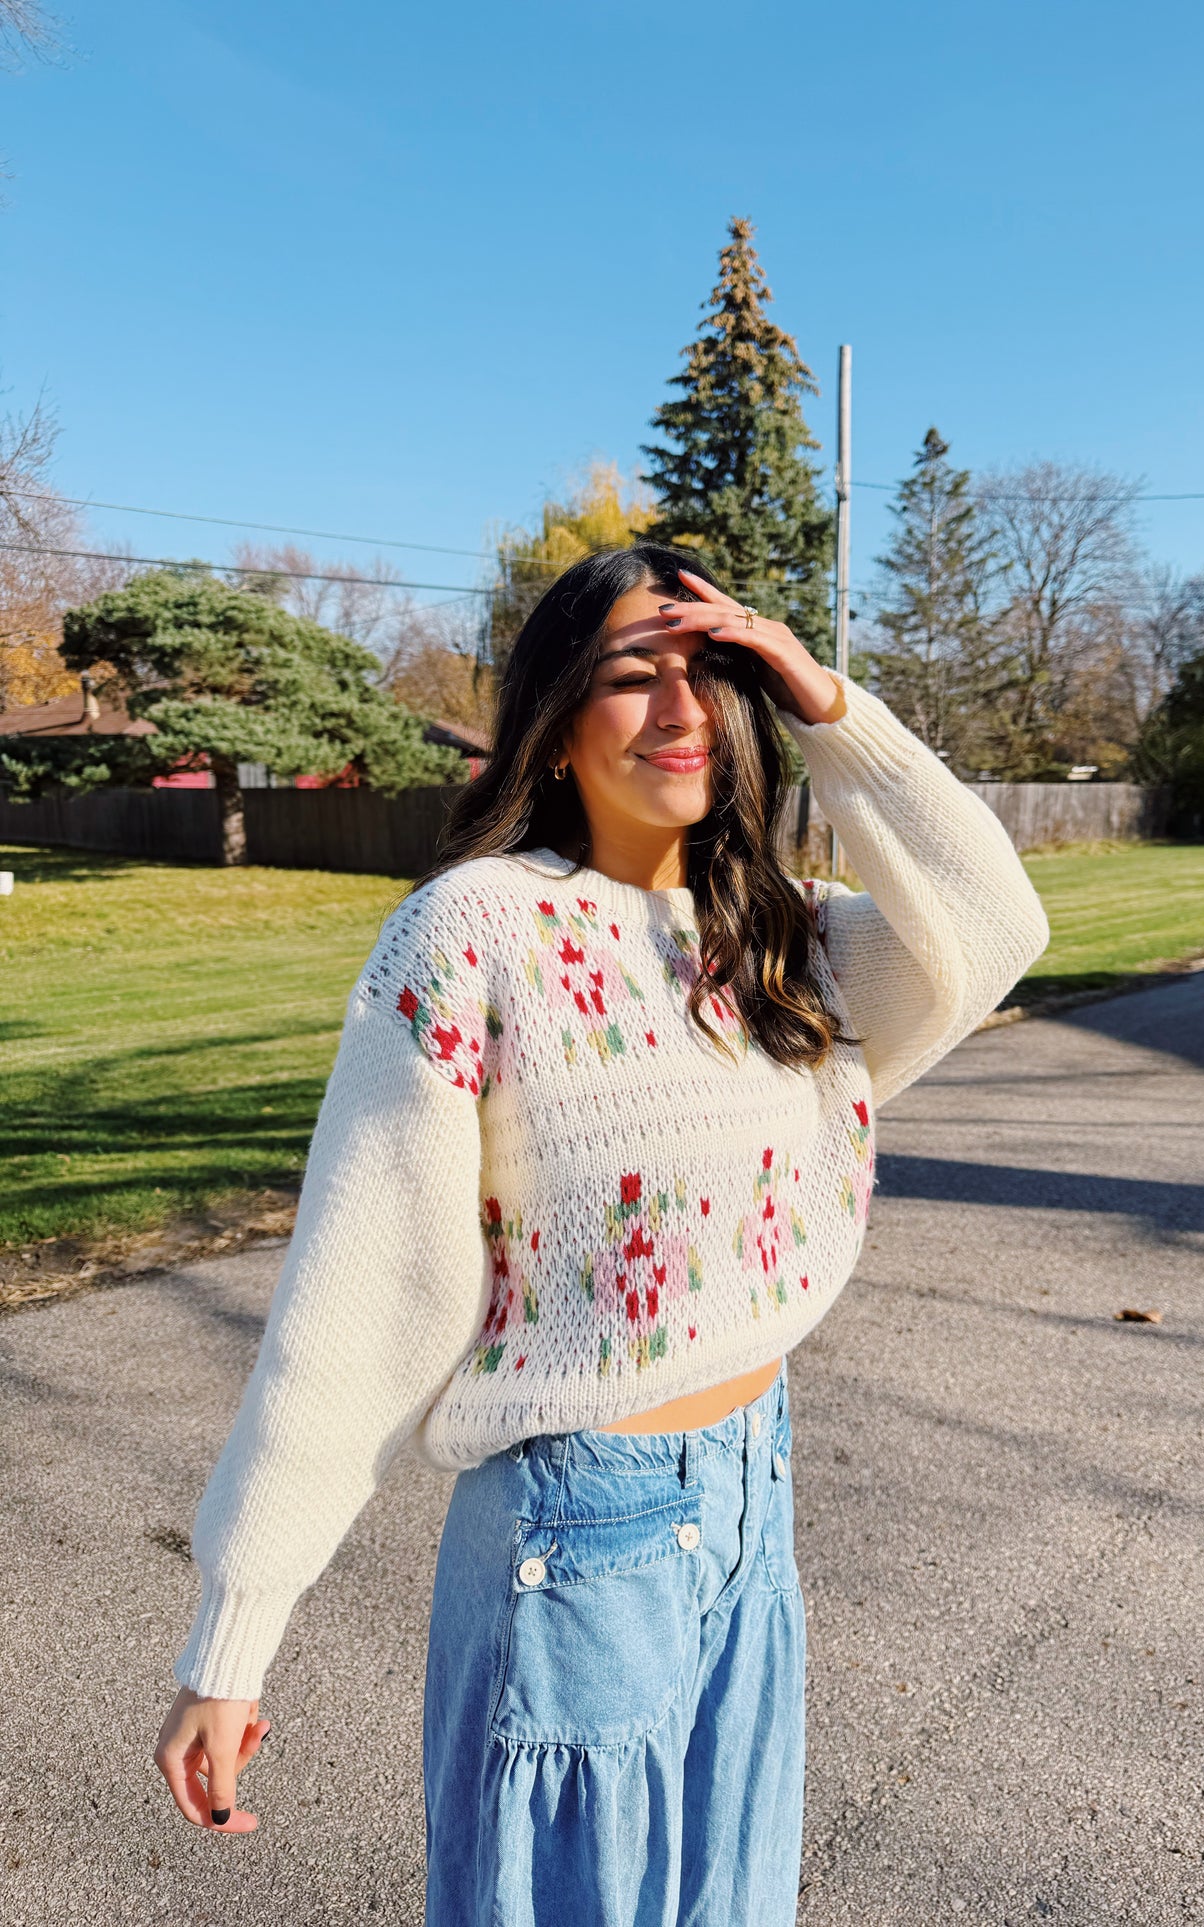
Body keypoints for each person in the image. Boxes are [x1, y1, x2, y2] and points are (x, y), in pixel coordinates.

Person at [153, 543, 1050, 1924]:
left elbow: (994, 921)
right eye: (635, 677)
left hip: (754, 1493)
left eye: (715, 678)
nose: (685, 709)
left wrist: (823, 700)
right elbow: (362, 1301)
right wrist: (234, 1638)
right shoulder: (474, 932)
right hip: (577, 1533)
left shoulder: (781, 944)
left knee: (732, 1903)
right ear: (558, 721)